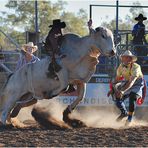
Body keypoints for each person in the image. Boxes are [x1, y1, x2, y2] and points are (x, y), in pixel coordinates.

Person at [108, 50, 146, 125]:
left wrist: (122, 91)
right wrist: (112, 88)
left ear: (131, 59)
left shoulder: (136, 67)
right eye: (124, 57)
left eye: (128, 58)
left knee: (133, 97)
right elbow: (117, 79)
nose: (126, 59)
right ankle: (124, 113)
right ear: (122, 58)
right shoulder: (121, 67)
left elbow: (132, 82)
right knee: (117, 97)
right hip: (127, 82)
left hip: (137, 84)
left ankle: (129, 119)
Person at [11, 42, 40, 118]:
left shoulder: (37, 60)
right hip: (22, 82)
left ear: (33, 50)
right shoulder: (21, 60)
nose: (30, 49)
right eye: (28, 48)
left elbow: (40, 73)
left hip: (33, 83)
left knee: (35, 100)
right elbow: (17, 71)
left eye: (31, 48)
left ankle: (20, 106)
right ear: (26, 49)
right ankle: (15, 106)